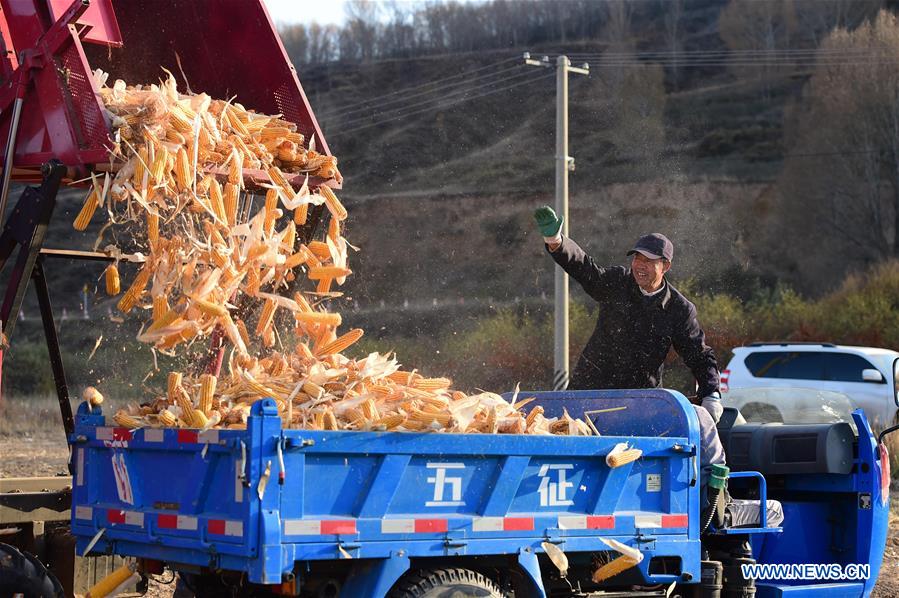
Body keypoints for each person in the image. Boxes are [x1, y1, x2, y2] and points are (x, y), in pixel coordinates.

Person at [533, 205, 724, 422]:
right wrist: (557, 242)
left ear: (666, 266)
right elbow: (585, 269)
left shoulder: (679, 309)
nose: (640, 266)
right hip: (589, 390)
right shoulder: (617, 283)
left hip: (639, 401)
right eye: (637, 259)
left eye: (649, 261)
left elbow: (699, 355)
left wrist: (711, 394)